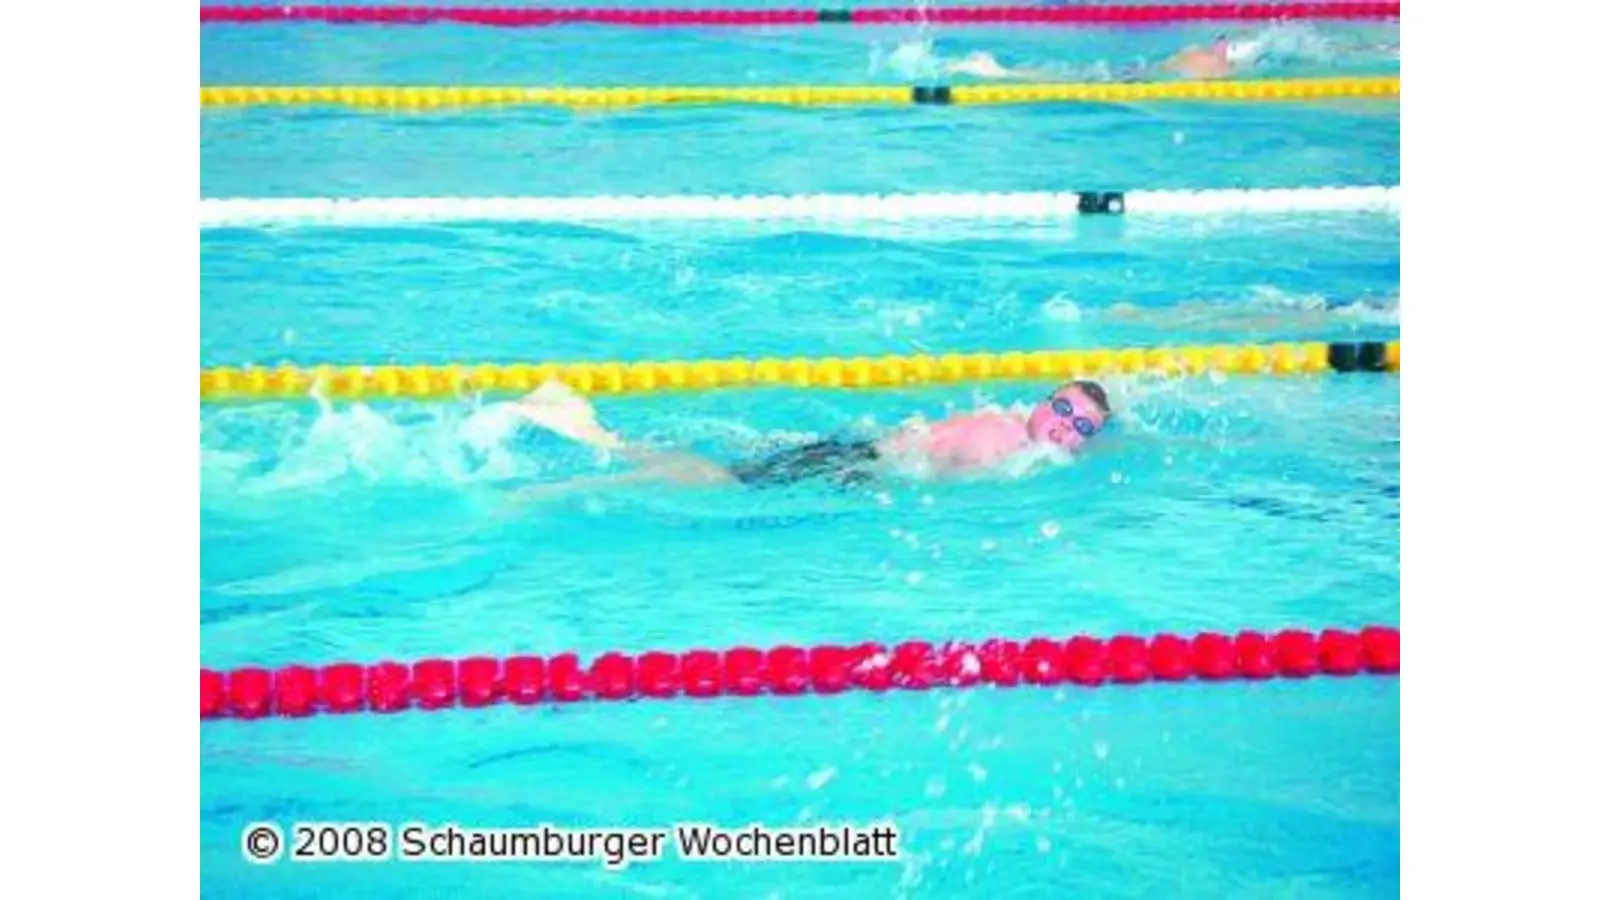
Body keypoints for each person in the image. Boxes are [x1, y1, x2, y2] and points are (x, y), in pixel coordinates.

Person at [505, 379, 1112, 493]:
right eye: (1064, 409)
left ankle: (598, 433)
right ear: (1043, 402)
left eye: (1083, 427)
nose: (1067, 426)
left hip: (858, 452)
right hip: (858, 464)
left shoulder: (1009, 421)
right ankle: (595, 438)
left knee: (739, 471)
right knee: (721, 484)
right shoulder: (1005, 445)